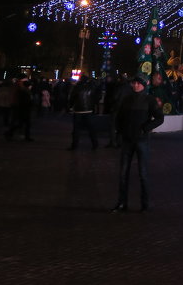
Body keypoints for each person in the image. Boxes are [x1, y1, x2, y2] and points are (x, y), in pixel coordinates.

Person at [111, 76, 165, 213]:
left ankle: (145, 204)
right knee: (123, 173)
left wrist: (145, 128)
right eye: (133, 83)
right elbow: (119, 117)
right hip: (127, 140)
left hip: (141, 141)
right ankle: (122, 203)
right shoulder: (127, 100)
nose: (135, 85)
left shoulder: (149, 100)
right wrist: (120, 131)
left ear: (143, 85)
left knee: (143, 173)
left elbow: (159, 118)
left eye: (138, 83)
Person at [66, 77, 99, 150]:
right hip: (88, 110)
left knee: (76, 129)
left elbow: (72, 98)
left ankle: (74, 145)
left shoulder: (76, 87)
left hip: (78, 110)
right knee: (91, 129)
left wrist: (70, 107)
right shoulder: (91, 88)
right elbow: (95, 98)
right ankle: (95, 144)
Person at [4, 76, 34, 141]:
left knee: (22, 123)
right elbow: (25, 101)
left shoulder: (21, 89)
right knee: (24, 123)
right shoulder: (24, 91)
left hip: (21, 109)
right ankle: (11, 133)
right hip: (23, 109)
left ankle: (10, 132)